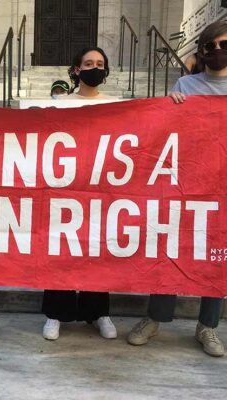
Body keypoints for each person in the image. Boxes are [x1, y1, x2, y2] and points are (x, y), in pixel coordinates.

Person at [127, 20, 227, 357]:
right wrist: (170, 107)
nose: (217, 51)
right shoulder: (186, 83)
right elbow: (170, 130)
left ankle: (208, 327)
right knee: (170, 249)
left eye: (223, 45)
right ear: (201, 50)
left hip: (223, 187)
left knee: (216, 255)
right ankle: (156, 318)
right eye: (210, 46)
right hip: (186, 181)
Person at [42, 47, 117, 342]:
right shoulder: (59, 103)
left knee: (97, 249)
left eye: (99, 64)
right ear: (76, 70)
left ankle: (98, 312)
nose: (94, 68)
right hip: (65, 187)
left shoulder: (118, 105)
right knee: (61, 249)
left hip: (102, 189)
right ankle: (55, 313)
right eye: (88, 64)